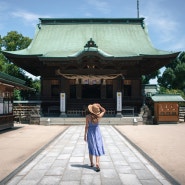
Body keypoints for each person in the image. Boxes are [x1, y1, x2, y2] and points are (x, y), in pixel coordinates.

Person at [84, 103, 106, 172]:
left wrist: (85, 135)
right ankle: (97, 163)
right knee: (98, 146)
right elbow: (104, 111)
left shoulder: (87, 116)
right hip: (97, 133)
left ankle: (91, 163)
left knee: (91, 147)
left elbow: (86, 126)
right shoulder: (99, 116)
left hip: (90, 133)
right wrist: (100, 106)